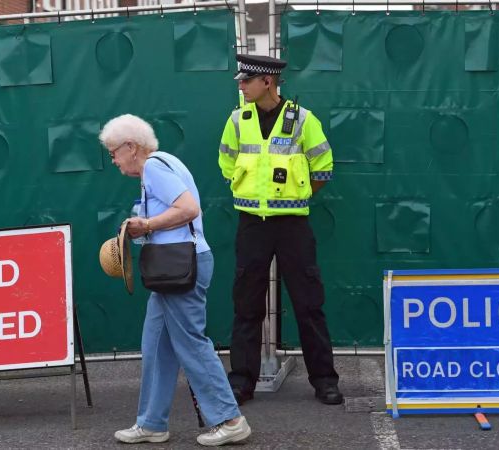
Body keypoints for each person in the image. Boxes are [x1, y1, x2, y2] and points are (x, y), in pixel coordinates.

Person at [101, 114, 251, 446]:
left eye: (113, 152)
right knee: (155, 344)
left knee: (191, 343)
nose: (112, 159)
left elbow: (188, 209)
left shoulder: (154, 167)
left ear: (131, 147)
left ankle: (230, 419)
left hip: (180, 267)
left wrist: (147, 225)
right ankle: (152, 423)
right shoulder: (160, 166)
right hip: (175, 269)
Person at [217, 55, 343, 406]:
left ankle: (325, 381)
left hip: (292, 225)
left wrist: (296, 197)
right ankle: (241, 381)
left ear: (267, 82)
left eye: (246, 81)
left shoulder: (303, 120)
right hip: (251, 224)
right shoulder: (237, 120)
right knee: (246, 305)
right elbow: (227, 163)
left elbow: (323, 168)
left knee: (309, 303)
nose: (241, 87)